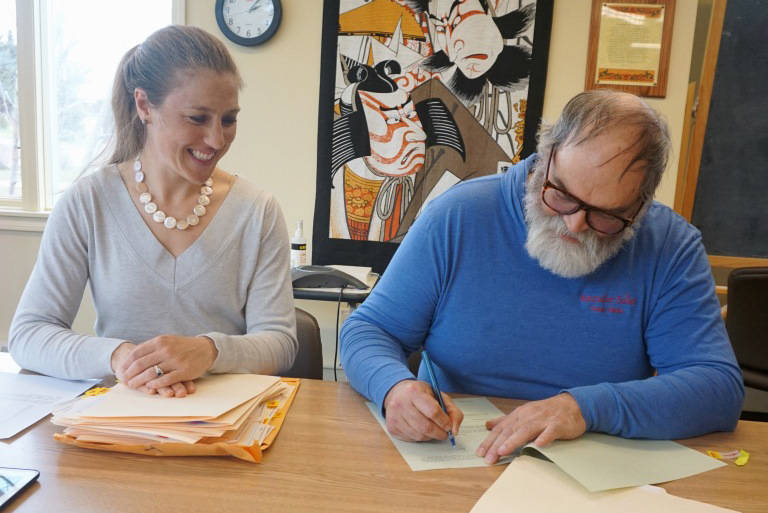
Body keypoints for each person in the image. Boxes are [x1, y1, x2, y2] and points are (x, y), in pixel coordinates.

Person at [339, 90, 744, 464]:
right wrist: (394, 387)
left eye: (606, 215)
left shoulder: (669, 245)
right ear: (545, 156)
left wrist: (583, 408)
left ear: (641, 205)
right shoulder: (458, 216)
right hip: (456, 456)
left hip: (593, 472)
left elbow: (717, 387)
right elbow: (369, 330)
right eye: (562, 195)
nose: (575, 225)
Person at [9, 25, 297, 397]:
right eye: (197, 118)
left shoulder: (258, 211)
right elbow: (28, 335)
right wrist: (119, 357)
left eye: (229, 120)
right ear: (144, 106)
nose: (217, 139)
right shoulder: (87, 202)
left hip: (224, 420)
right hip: (119, 417)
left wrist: (209, 351)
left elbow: (280, 342)